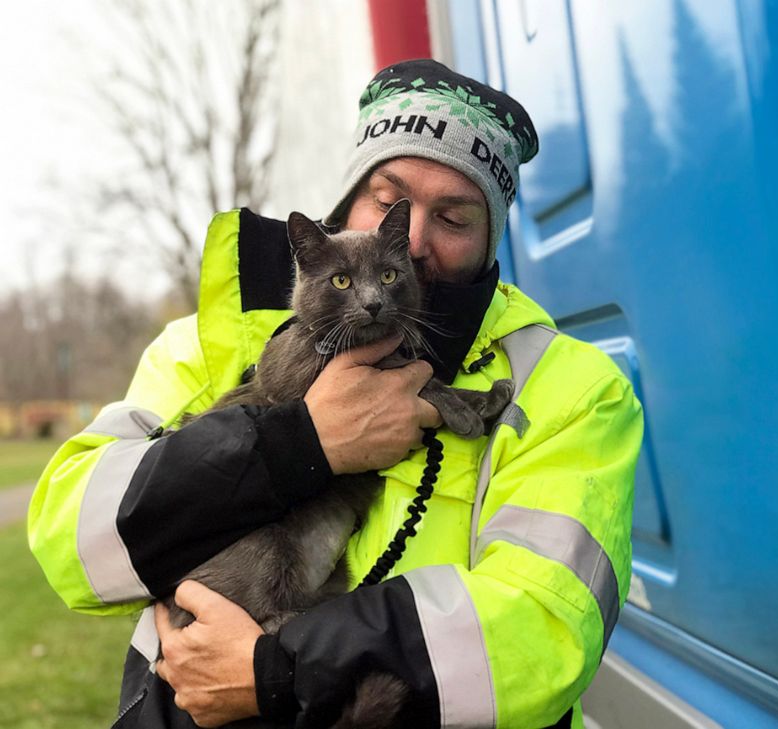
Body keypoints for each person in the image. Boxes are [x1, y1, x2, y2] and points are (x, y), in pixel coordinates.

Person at [28, 59, 643, 728]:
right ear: (350, 200)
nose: (411, 240)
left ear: (490, 242)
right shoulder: (215, 342)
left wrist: (280, 669)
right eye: (390, 198)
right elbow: (72, 533)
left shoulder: (572, 389)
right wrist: (295, 444)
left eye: (456, 217)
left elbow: (548, 628)